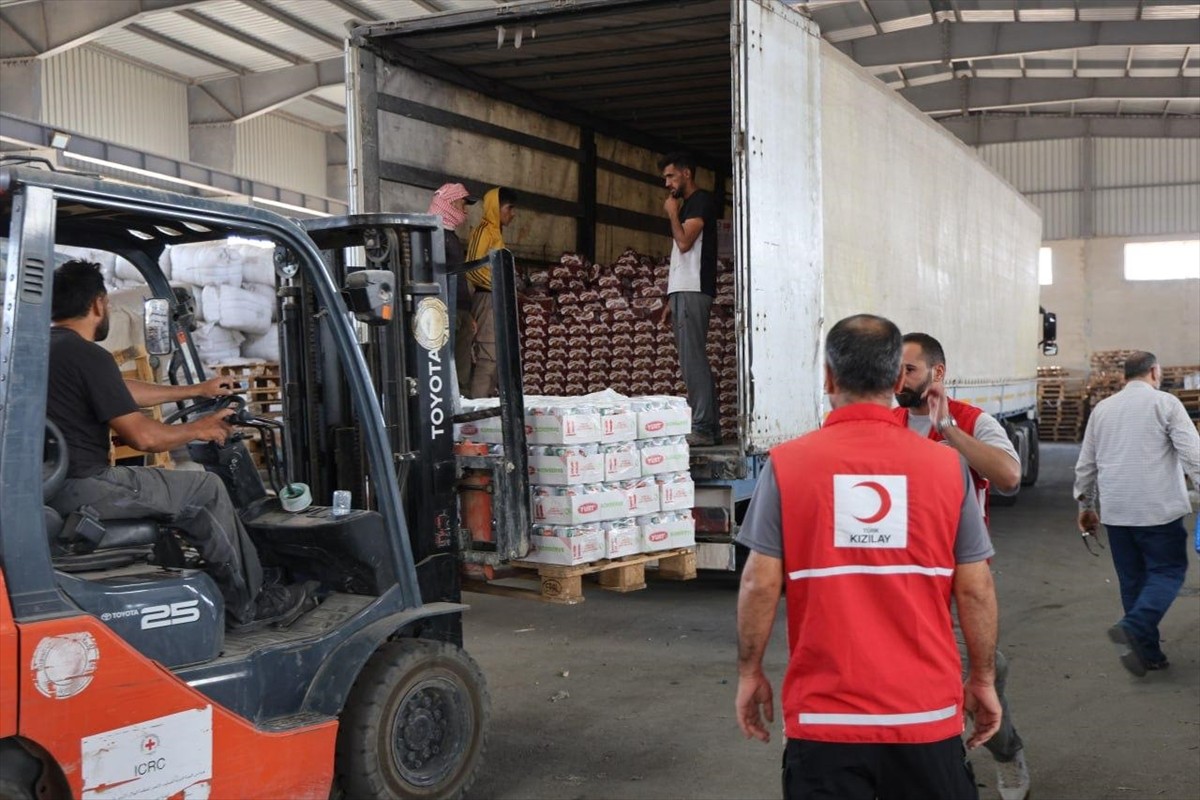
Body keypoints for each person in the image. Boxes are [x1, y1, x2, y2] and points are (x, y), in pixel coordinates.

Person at [735, 314, 1001, 800]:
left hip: (824, 717)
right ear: (899, 380)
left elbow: (759, 584)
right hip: (925, 715)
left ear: (828, 378)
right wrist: (981, 678)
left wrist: (750, 672)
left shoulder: (788, 464)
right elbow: (975, 587)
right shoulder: (947, 466)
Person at [46, 260, 316, 631]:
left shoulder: (47, 351)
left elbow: (120, 390)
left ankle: (217, 579)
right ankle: (250, 605)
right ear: (98, 304)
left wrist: (194, 390)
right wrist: (200, 428)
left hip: (52, 488)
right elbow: (144, 436)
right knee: (204, 488)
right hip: (84, 486)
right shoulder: (87, 355)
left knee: (167, 487)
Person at [894, 332, 1030, 800]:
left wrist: (948, 428)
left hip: (956, 580)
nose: (900, 378)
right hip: (899, 579)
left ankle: (1007, 753)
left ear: (938, 373)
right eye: (896, 368)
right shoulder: (886, 423)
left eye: (910, 369)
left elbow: (1010, 477)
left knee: (974, 681)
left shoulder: (975, 421)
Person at [1074, 351, 1200, 676]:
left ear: (1123, 376)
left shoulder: (1103, 410)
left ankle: (1148, 653)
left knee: (1132, 581)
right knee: (1167, 572)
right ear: (1155, 372)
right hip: (1159, 512)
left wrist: (1086, 507)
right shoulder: (1166, 404)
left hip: (1117, 512)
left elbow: (1086, 464)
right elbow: (1193, 456)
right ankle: (1134, 626)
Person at [659, 152, 720, 447]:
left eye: (671, 176)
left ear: (686, 173)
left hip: (693, 289)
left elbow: (684, 243)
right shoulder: (689, 205)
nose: (667, 183)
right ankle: (708, 425)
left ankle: (704, 427)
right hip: (685, 289)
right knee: (691, 358)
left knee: (693, 359)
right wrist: (672, 297)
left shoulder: (699, 202)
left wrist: (671, 212)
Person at [465, 186, 518, 398]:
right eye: (509, 208)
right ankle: (475, 417)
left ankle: (485, 411)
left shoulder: (496, 233)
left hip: (497, 298)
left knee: (497, 361)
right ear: (497, 208)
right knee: (488, 360)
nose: (513, 214)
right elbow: (472, 269)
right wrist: (499, 284)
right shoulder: (483, 231)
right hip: (487, 299)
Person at [428, 182, 477, 393]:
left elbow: (458, 276)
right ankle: (451, 403)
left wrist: (467, 313)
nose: (465, 211)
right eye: (462, 204)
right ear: (450, 203)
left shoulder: (451, 237)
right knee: (449, 367)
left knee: (462, 366)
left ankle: (461, 405)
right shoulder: (432, 236)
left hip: (459, 309)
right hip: (446, 309)